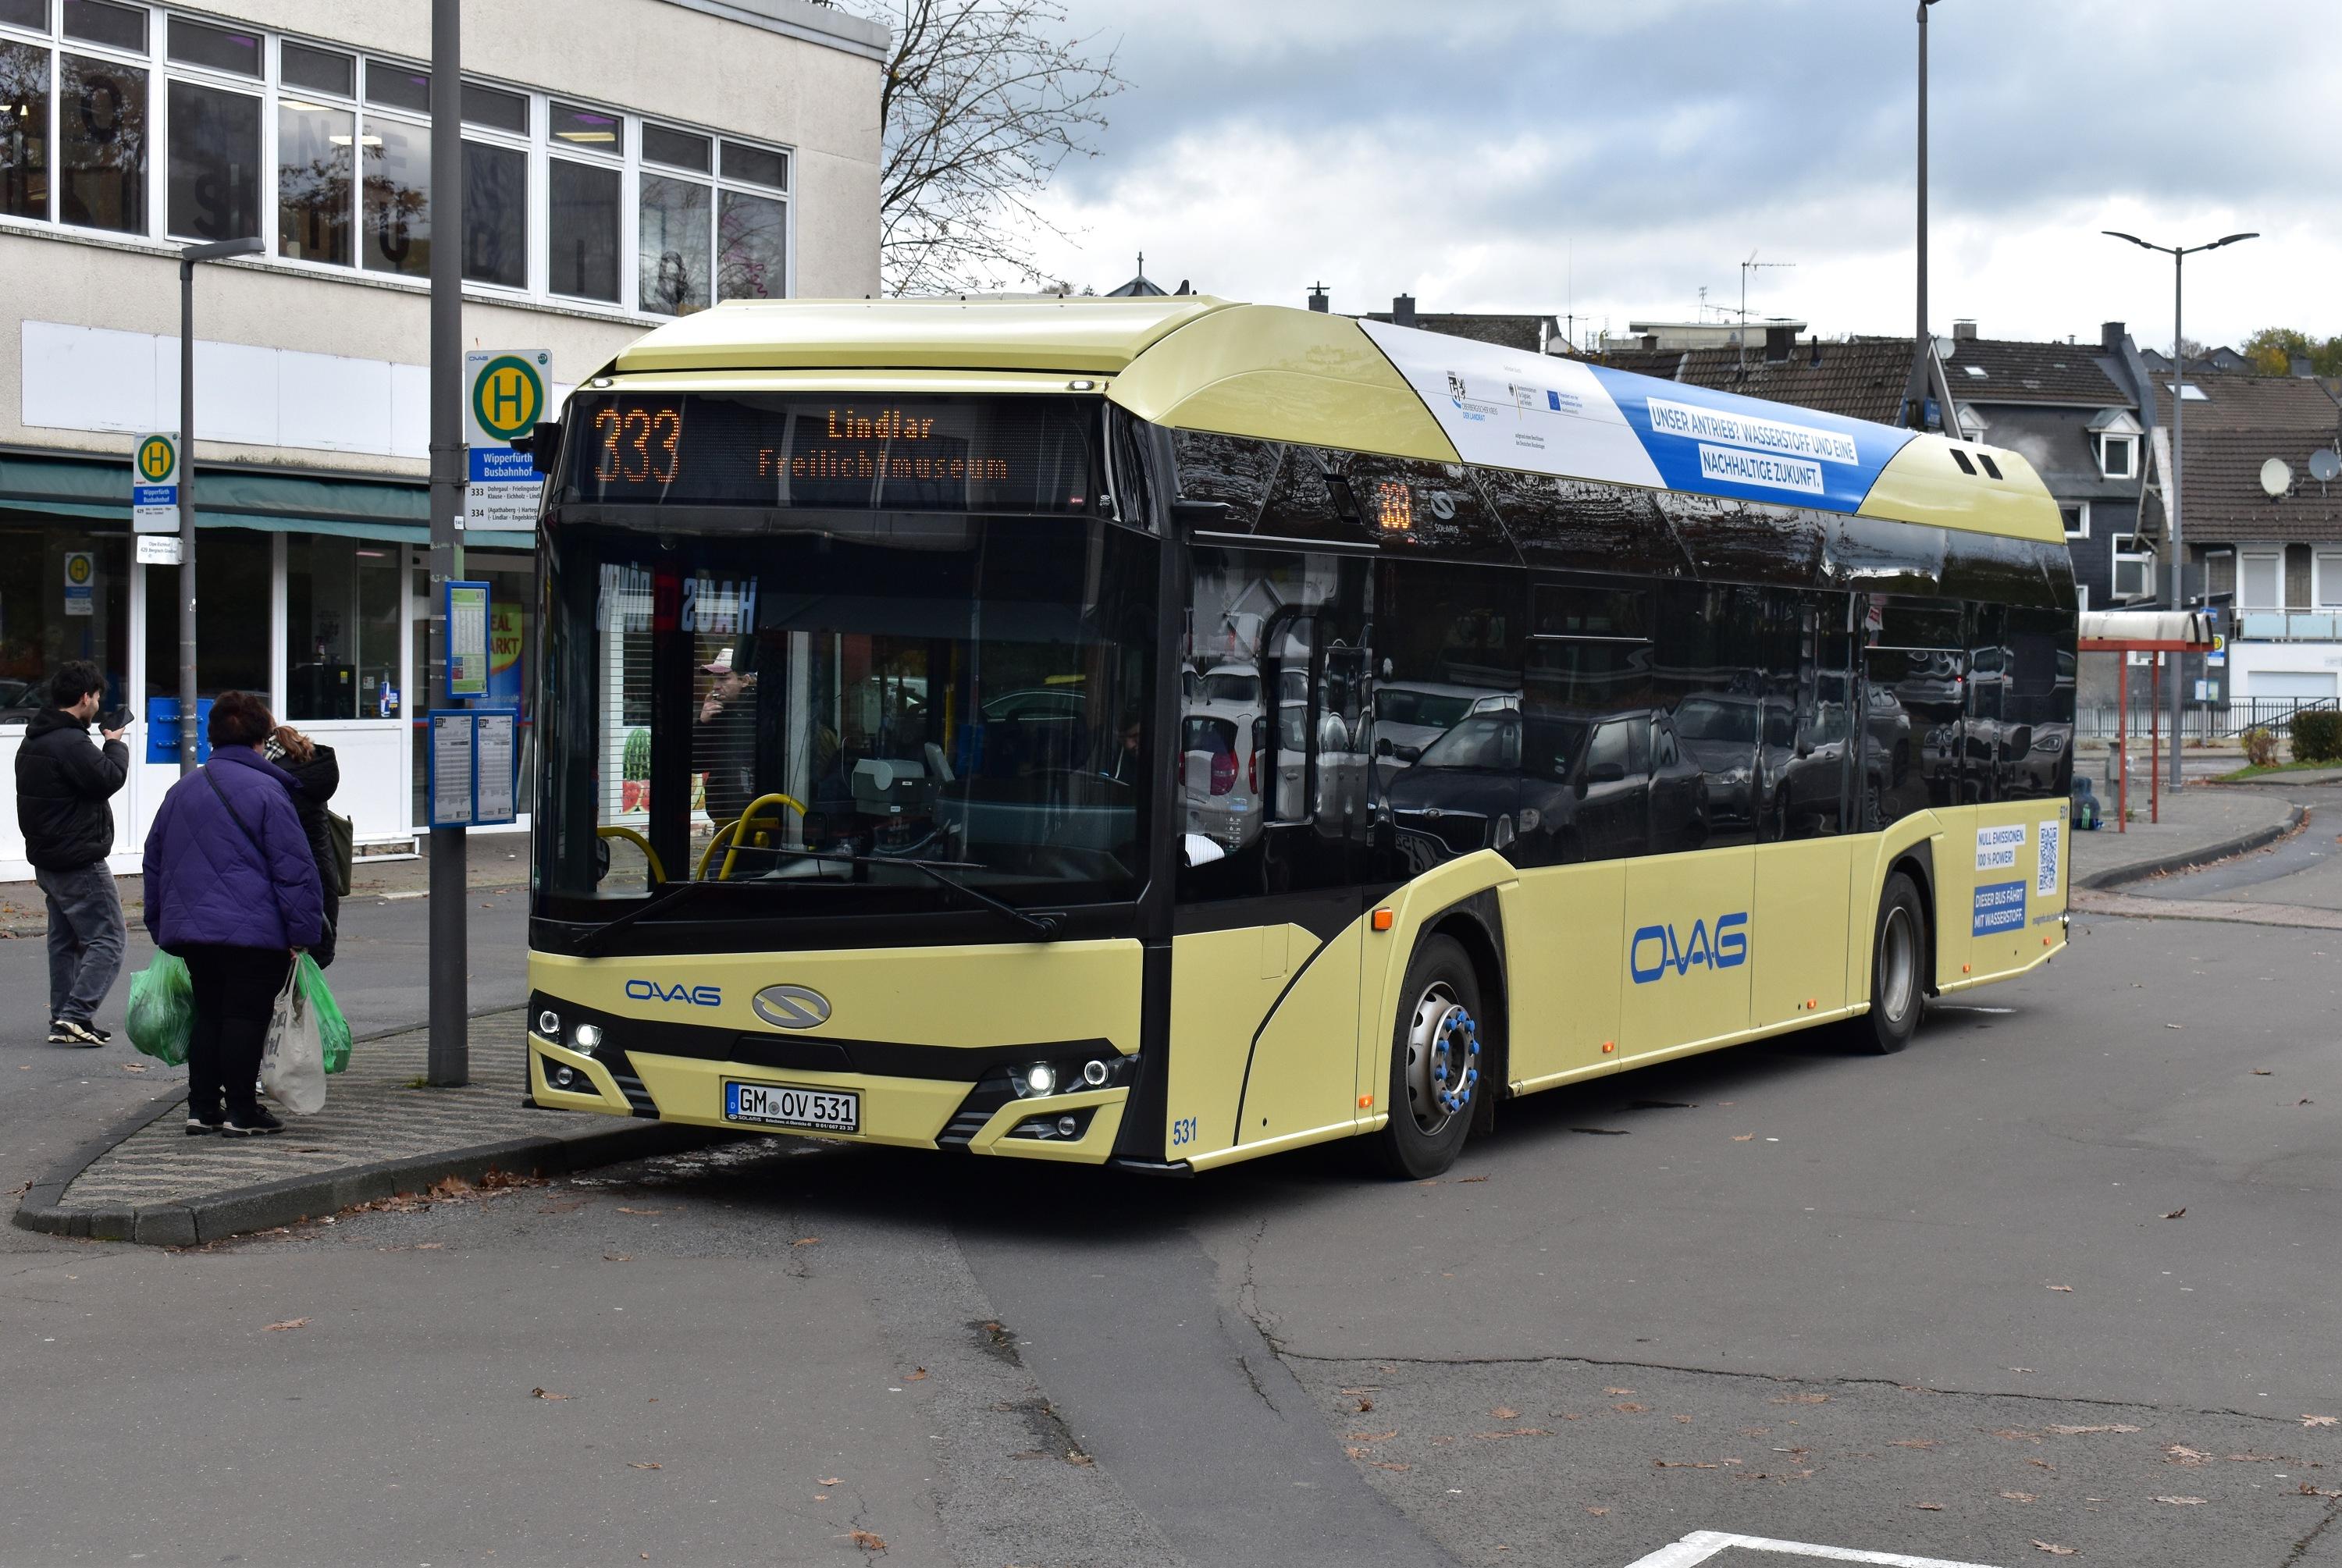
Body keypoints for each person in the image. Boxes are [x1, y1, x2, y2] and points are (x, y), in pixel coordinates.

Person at [143, 692, 323, 1136]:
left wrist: (160, 923)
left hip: (191, 931)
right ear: (263, 740)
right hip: (254, 932)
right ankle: (243, 1110)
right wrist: (302, 932)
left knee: (209, 1014)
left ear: (212, 737)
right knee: (245, 1016)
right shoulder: (269, 791)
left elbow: (154, 861)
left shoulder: (182, 790)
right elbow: (294, 869)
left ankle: (203, 1107)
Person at [14, 661, 130, 1047]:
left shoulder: (35, 739)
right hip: (78, 859)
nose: (97, 704)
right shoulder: (70, 743)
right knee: (109, 939)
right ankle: (76, 1015)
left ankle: (64, 1020)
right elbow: (109, 778)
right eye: (96, 697)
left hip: (48, 859)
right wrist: (115, 743)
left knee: (65, 942)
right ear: (84, 698)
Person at [264, 724, 341, 969]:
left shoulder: (279, 777)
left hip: (297, 875)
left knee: (289, 964)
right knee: (309, 960)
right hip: (323, 870)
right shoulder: (309, 771)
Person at [694, 645, 760, 827]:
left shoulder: (759, 713)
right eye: (715, 679)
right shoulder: (719, 713)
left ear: (745, 681)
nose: (716, 686)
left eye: (723, 679)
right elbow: (695, 764)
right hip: (724, 819)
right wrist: (703, 723)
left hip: (756, 817)